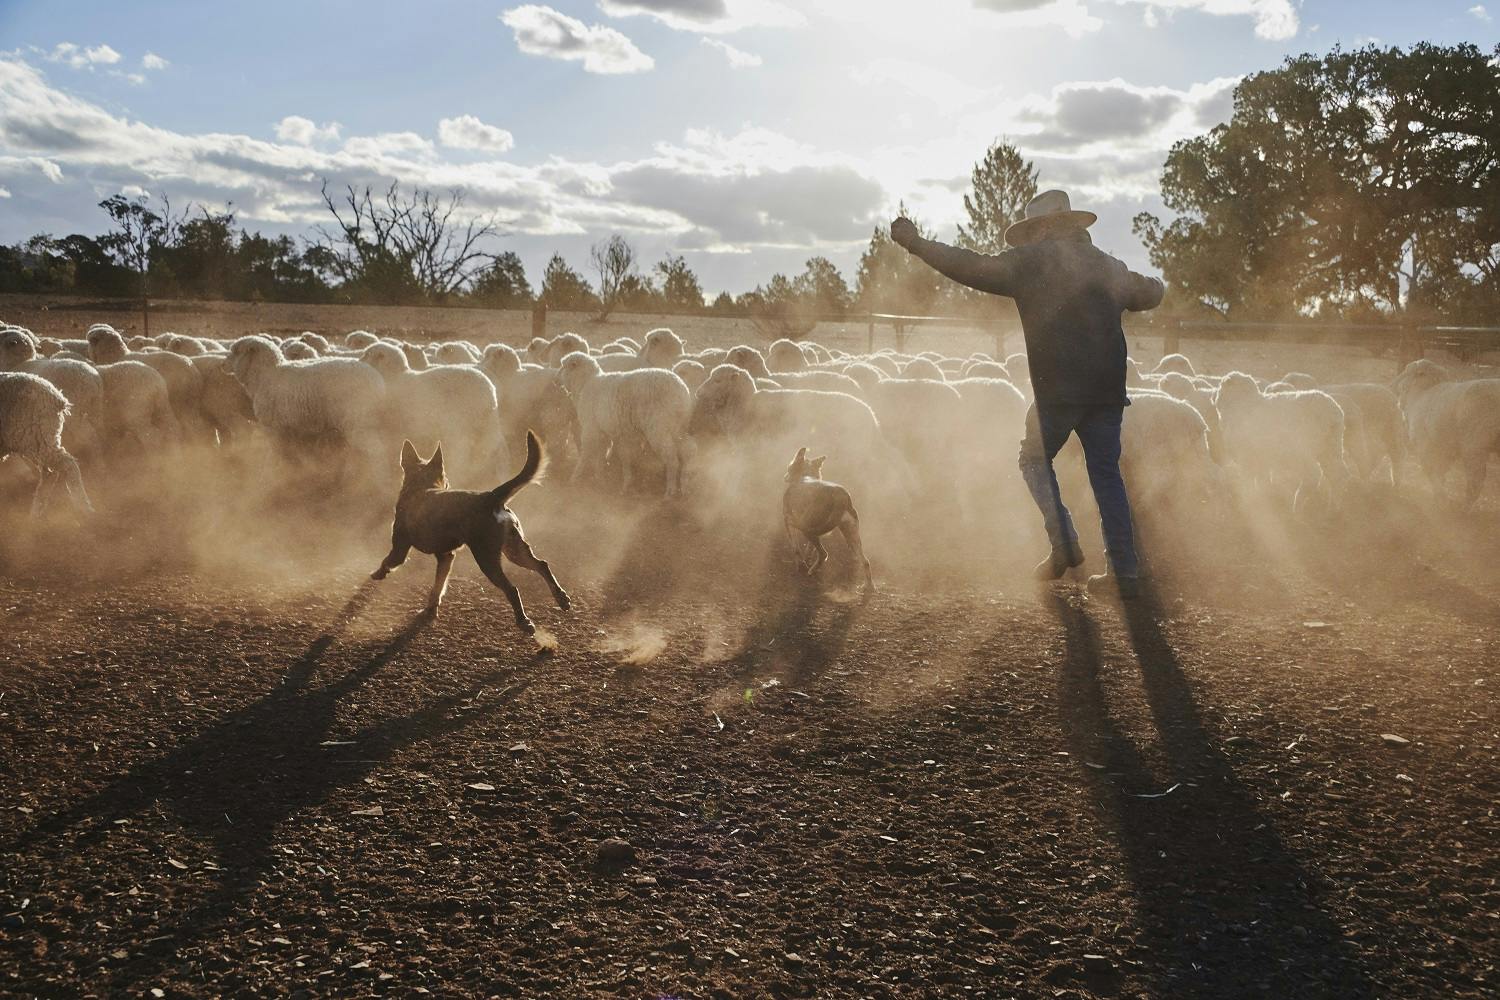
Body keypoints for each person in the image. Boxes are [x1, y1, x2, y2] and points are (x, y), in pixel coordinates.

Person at [890, 189, 1164, 599]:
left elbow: (968, 265)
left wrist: (916, 243)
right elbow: (1150, 293)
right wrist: (1154, 282)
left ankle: (1064, 542)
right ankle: (1124, 569)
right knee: (1106, 474)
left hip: (1057, 388)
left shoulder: (1028, 263)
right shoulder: (1107, 266)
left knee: (1033, 458)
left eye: (1035, 228)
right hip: (1106, 390)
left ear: (1045, 227)